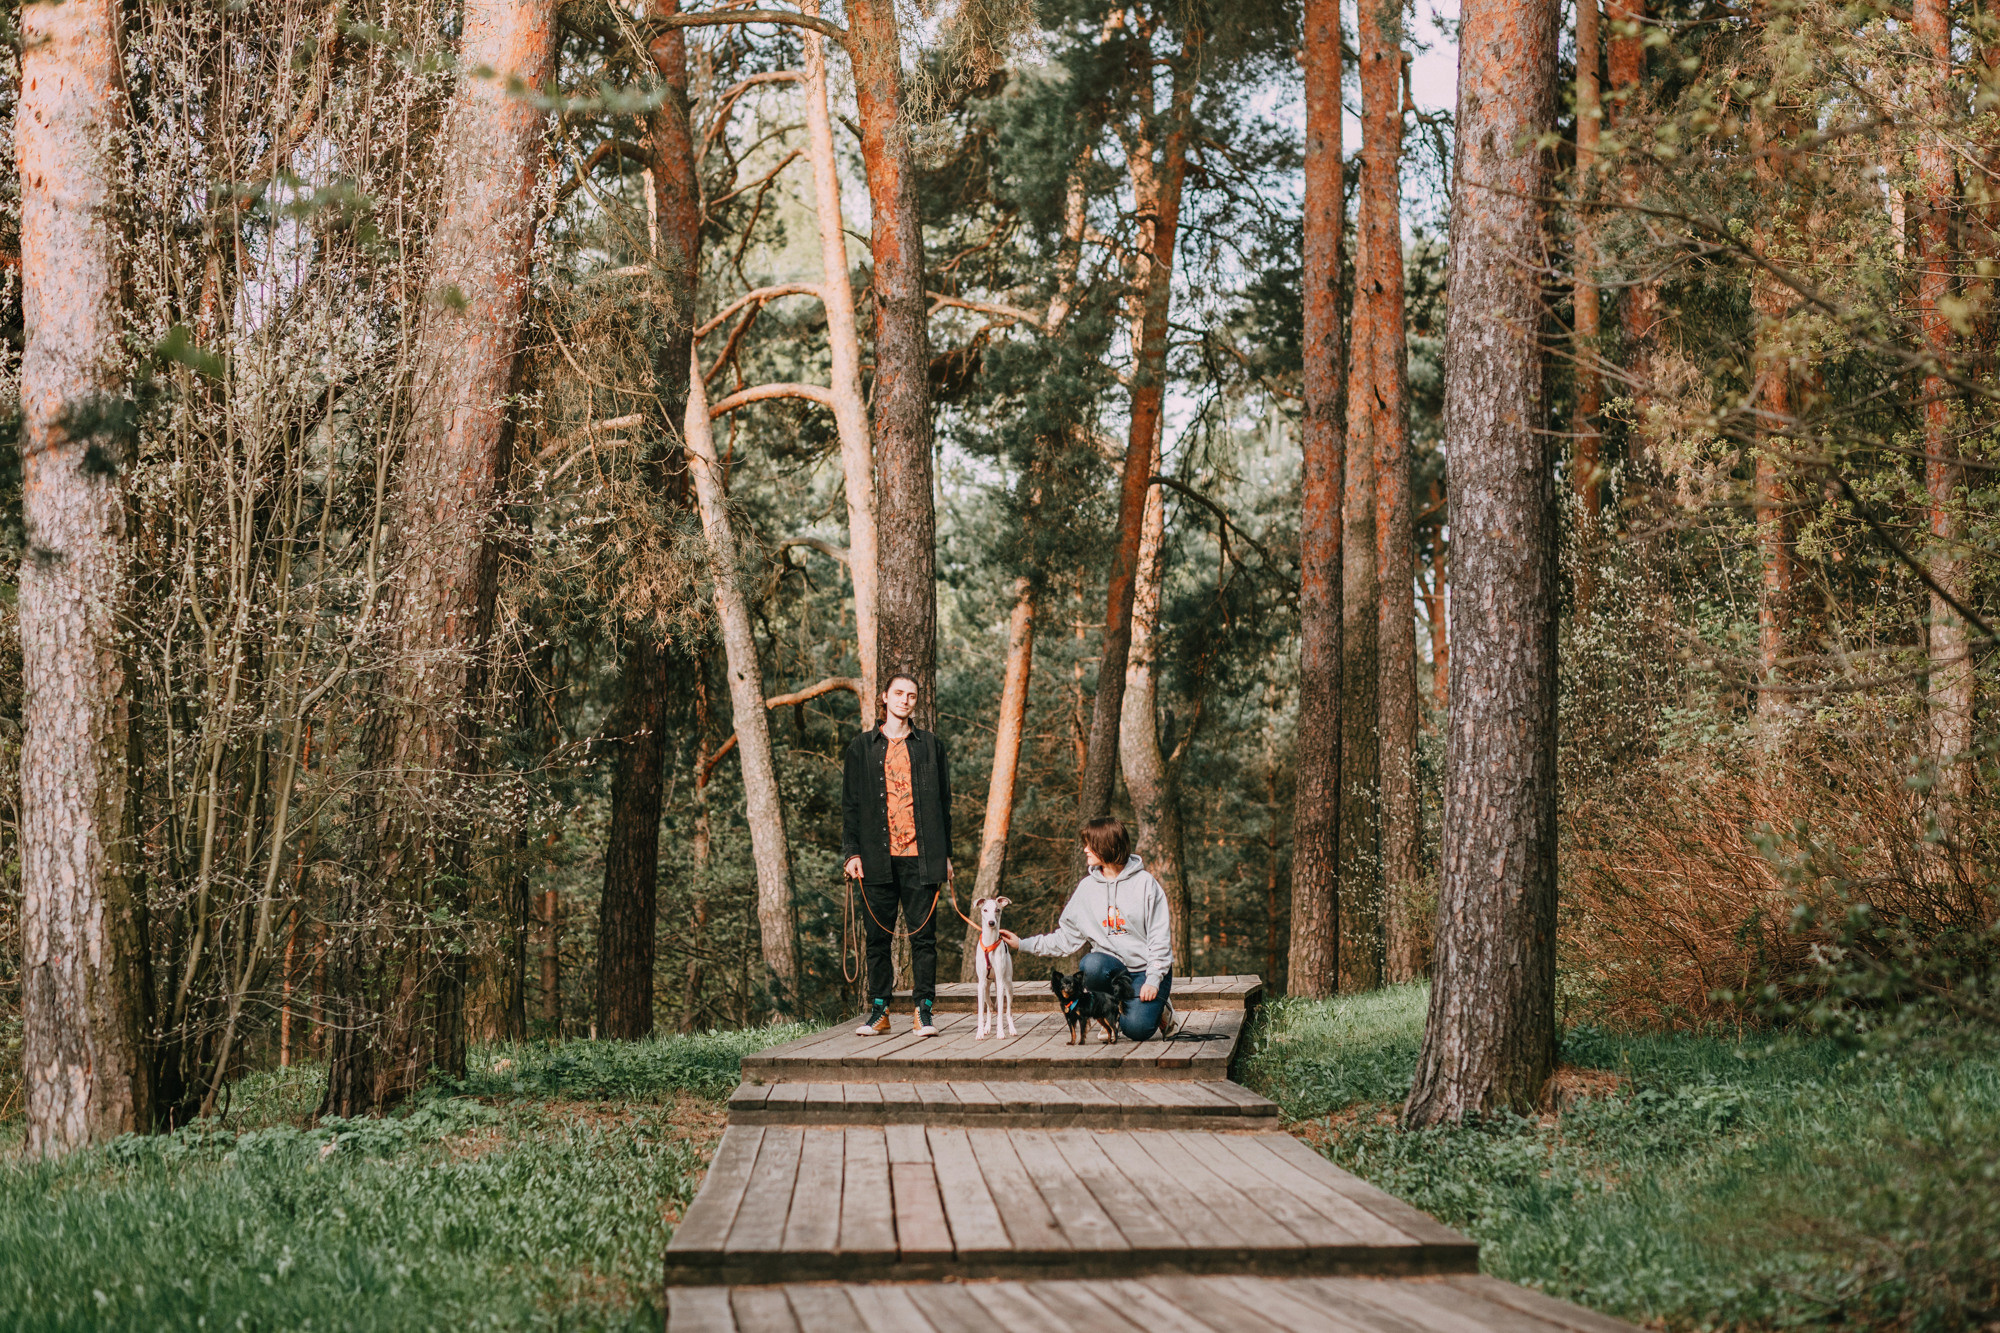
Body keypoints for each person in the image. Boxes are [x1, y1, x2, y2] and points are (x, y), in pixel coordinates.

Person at [842, 674, 954, 1036]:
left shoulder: (930, 746)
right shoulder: (862, 747)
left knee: (924, 939)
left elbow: (943, 805)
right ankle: (879, 1011)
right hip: (875, 858)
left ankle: (924, 1010)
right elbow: (851, 806)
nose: (906, 700)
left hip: (922, 858)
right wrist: (851, 853)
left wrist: (945, 856)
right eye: (899, 694)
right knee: (877, 938)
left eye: (912, 696)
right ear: (884, 698)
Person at [997, 817, 1177, 1041]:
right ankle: (1108, 1009)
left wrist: (1153, 980)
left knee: (1137, 1030)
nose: (1085, 849)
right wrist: (1022, 944)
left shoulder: (1146, 884)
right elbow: (1065, 938)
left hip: (1146, 970)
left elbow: (1160, 939)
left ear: (1107, 845)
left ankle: (1162, 1009)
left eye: (1090, 845)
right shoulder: (1086, 888)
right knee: (1091, 965)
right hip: (1113, 970)